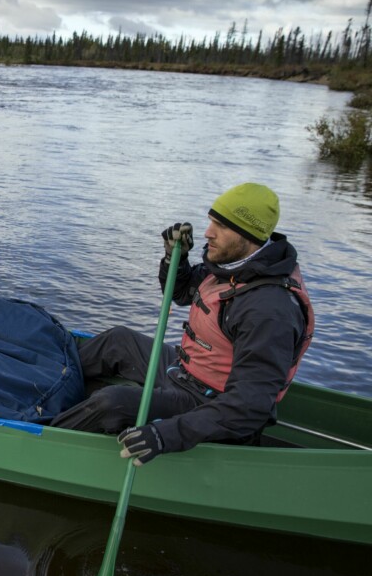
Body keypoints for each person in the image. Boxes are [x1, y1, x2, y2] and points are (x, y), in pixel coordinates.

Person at [51, 183, 314, 466]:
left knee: (112, 402)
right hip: (187, 372)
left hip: (213, 405)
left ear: (247, 236)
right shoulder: (237, 266)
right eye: (212, 221)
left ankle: (41, 437)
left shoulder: (269, 311)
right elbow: (181, 292)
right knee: (118, 340)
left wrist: (166, 435)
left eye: (221, 226)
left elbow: (249, 407)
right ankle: (42, 382)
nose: (208, 232)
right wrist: (174, 258)